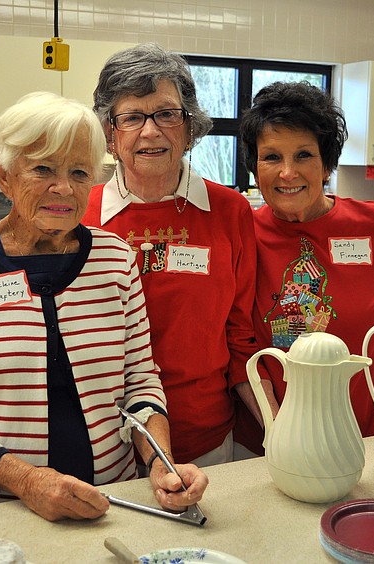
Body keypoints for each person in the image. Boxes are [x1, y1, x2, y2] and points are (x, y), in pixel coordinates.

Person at [0, 91, 208, 522]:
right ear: (4, 177)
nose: (63, 188)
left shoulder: (114, 258)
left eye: (78, 172)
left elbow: (140, 383)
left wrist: (159, 462)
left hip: (113, 501)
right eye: (43, 170)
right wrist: (29, 482)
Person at [81, 43, 262, 466]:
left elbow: (240, 336)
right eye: (131, 117)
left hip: (207, 440)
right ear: (110, 132)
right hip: (106, 445)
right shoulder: (81, 215)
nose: (151, 131)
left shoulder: (230, 212)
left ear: (189, 125)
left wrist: (279, 425)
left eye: (166, 114)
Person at [234, 81, 374, 454]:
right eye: (272, 157)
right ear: (254, 166)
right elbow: (239, 344)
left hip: (364, 437)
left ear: (326, 164)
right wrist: (278, 430)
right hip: (267, 441)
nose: (288, 173)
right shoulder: (243, 233)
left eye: (304, 155)